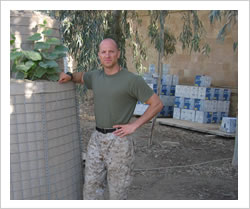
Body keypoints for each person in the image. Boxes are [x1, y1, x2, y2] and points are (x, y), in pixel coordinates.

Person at [59, 38, 163, 200]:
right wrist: (69, 75)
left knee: (118, 191)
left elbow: (156, 104)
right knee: (91, 187)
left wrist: (134, 125)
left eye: (111, 51)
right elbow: (81, 77)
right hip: (97, 139)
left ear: (118, 54)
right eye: (103, 52)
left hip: (119, 140)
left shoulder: (132, 80)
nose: (107, 55)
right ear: (99, 55)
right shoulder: (95, 76)